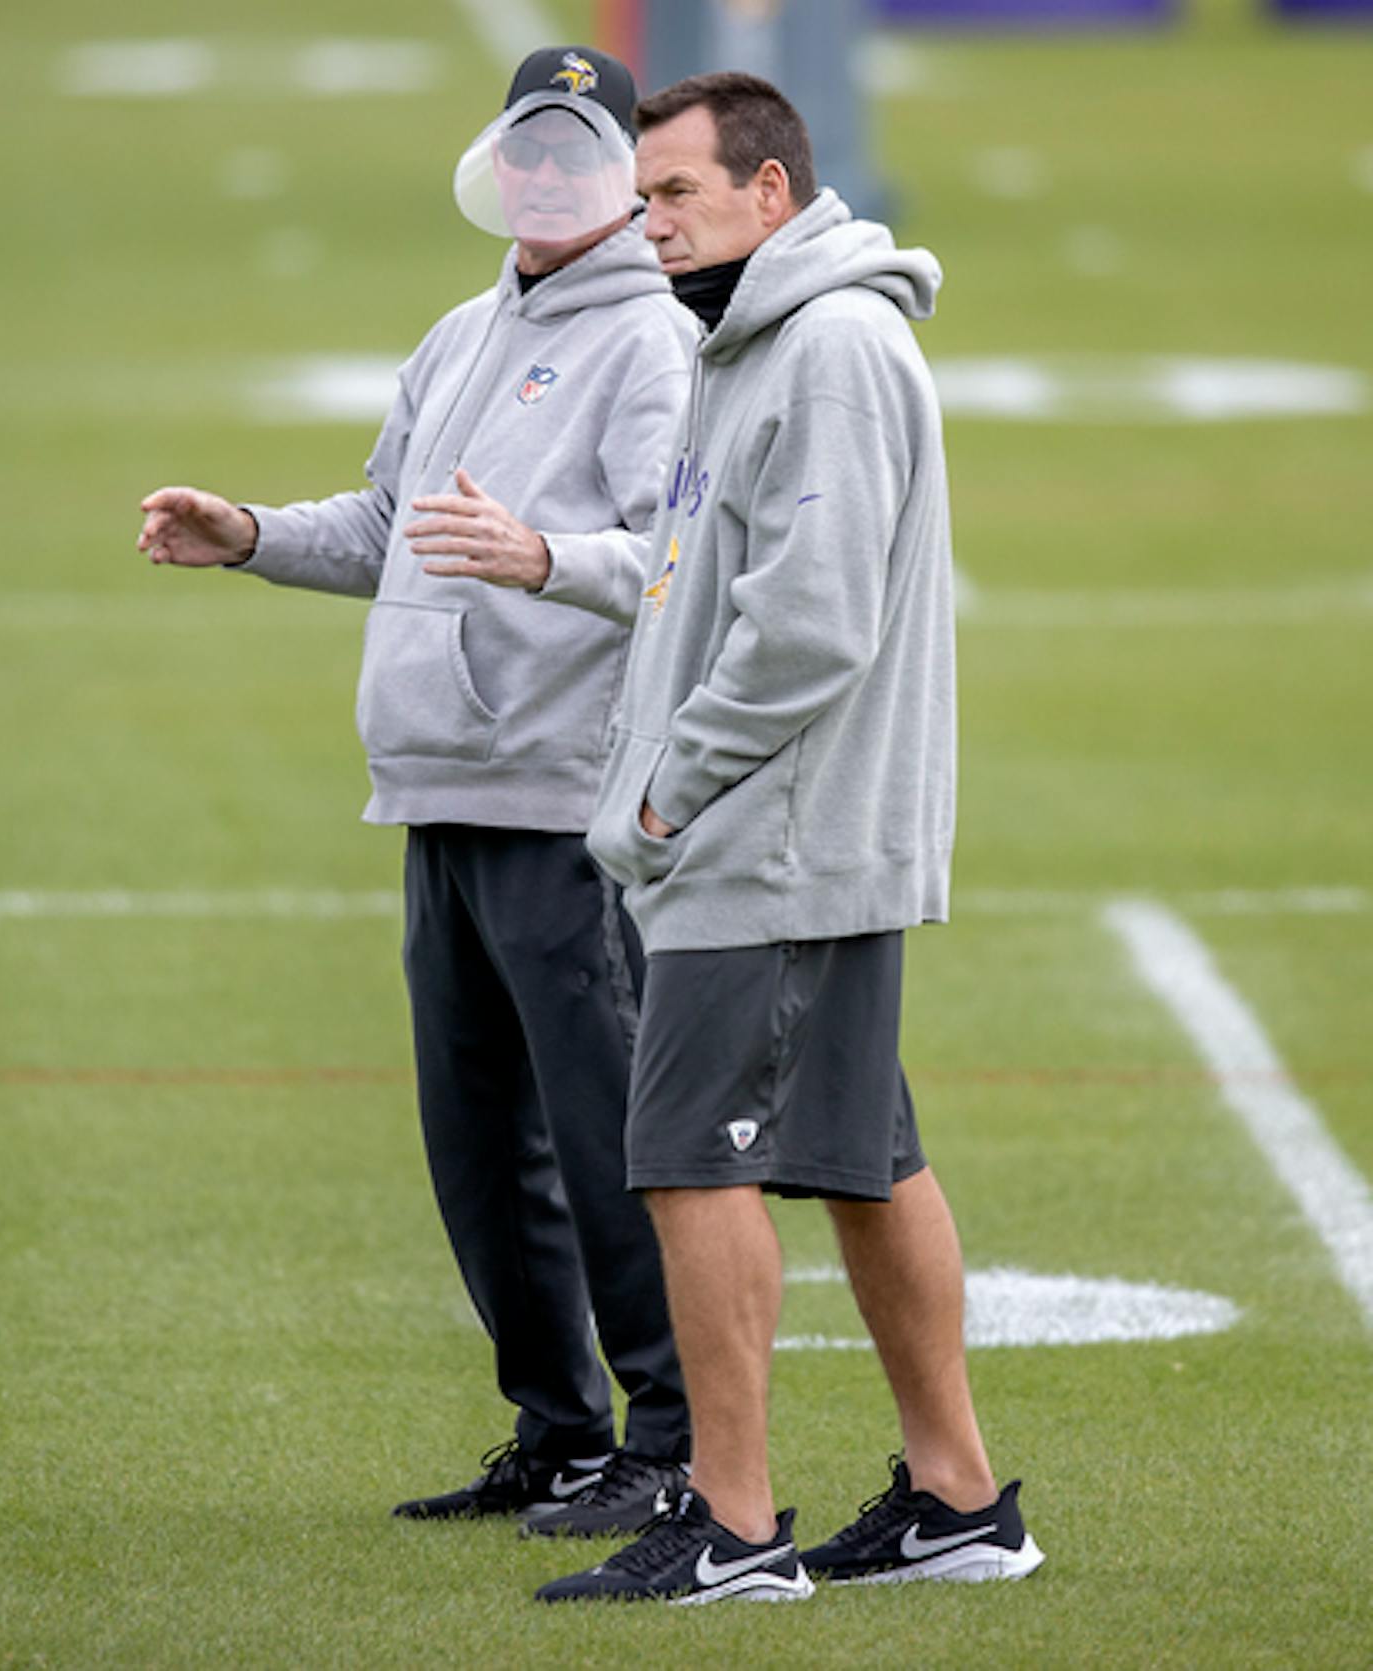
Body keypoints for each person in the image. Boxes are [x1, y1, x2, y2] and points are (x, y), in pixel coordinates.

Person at [135, 46, 695, 1536]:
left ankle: (673, 1441)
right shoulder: (462, 330)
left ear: (625, 170)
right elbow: (391, 519)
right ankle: (561, 1428)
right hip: (438, 789)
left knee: (599, 1139)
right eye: (528, 146)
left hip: (560, 799)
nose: (544, 173)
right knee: (475, 1141)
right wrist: (249, 530)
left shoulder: (654, 343)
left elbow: (680, 566)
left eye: (576, 149)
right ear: (498, 158)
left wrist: (543, 561)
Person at [503, 72, 1044, 1602]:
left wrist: (671, 792)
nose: (647, 222)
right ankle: (955, 1503)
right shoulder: (747, 343)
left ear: (772, 193)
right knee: (868, 1161)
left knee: (688, 1160)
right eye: (643, 196)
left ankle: (733, 1531)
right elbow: (695, 580)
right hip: (778, 833)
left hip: (766, 841)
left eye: (675, 194)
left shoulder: (828, 349)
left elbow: (807, 625)